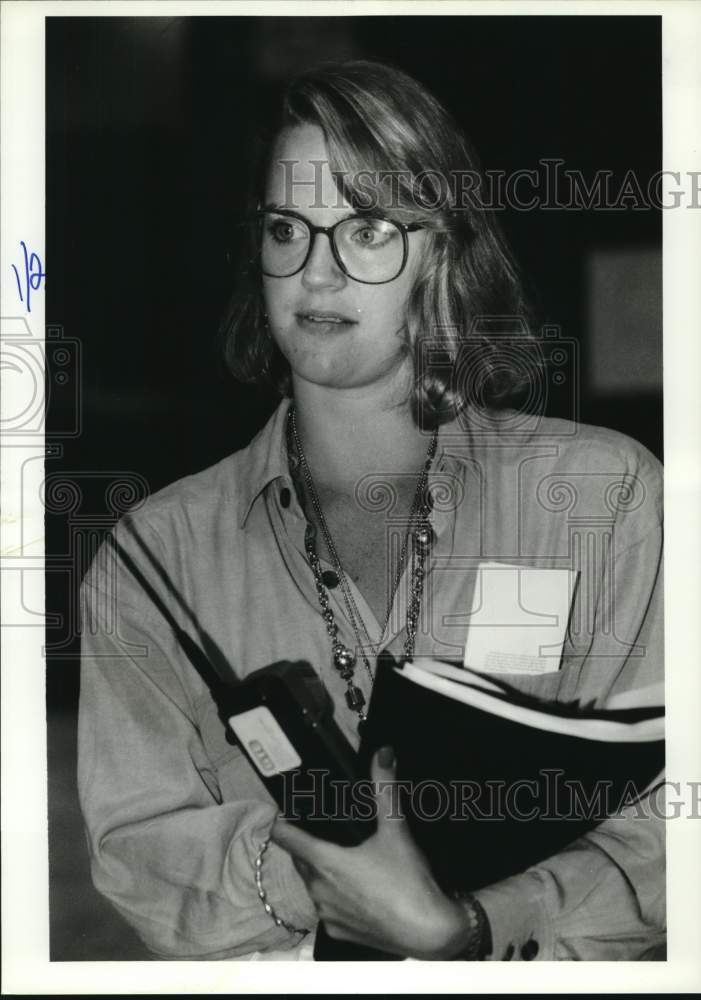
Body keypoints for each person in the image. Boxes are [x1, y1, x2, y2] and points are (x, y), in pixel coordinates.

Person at [78, 59, 665, 961]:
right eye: (287, 229)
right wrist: (318, 876)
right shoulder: (156, 556)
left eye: (365, 229)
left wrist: (470, 929)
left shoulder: (606, 494)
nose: (315, 272)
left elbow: (664, 831)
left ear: (447, 251)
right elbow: (139, 856)